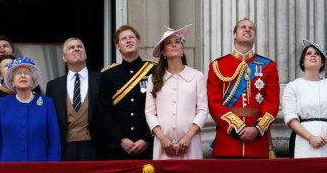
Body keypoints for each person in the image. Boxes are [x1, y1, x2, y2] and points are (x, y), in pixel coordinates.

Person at [206, 18, 280, 158]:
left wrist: (258, 129)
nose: (247, 29)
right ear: (234, 35)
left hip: (257, 144)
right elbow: (214, 103)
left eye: (251, 28)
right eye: (243, 27)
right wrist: (237, 128)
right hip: (228, 143)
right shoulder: (218, 65)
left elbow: (272, 103)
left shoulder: (268, 66)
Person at [145, 25, 208, 160]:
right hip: (163, 146)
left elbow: (202, 110)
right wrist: (162, 139)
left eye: (177, 42)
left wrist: (187, 137)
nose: (174, 45)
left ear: (182, 49)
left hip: (190, 145)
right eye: (169, 43)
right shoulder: (154, 78)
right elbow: (150, 112)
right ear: (163, 52)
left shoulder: (197, 76)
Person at [0, 57, 61, 162]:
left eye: (26, 73)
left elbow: (54, 141)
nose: (22, 75)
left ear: (33, 80)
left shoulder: (46, 103)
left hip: (39, 167)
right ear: (12, 80)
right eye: (18, 73)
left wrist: (52, 168)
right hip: (8, 168)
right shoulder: (3, 104)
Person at [98, 25, 154, 160]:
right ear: (118, 46)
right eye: (124, 39)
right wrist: (121, 140)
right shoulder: (108, 75)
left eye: (131, 37)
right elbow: (104, 113)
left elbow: (161, 109)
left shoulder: (154, 71)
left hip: (148, 146)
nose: (128, 41)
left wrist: (146, 139)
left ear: (138, 42)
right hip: (118, 148)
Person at [283, 39, 327, 158]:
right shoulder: (293, 86)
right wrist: (310, 137)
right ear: (303, 62)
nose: (313, 55)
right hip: (303, 140)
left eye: (317, 54)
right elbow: (290, 117)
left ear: (322, 63)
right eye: (309, 53)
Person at [45, 37, 102, 161]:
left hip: (94, 146)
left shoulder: (101, 80)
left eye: (79, 46)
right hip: (64, 147)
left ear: (86, 54)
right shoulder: (53, 86)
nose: (76, 49)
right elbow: (50, 119)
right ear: (64, 58)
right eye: (71, 48)